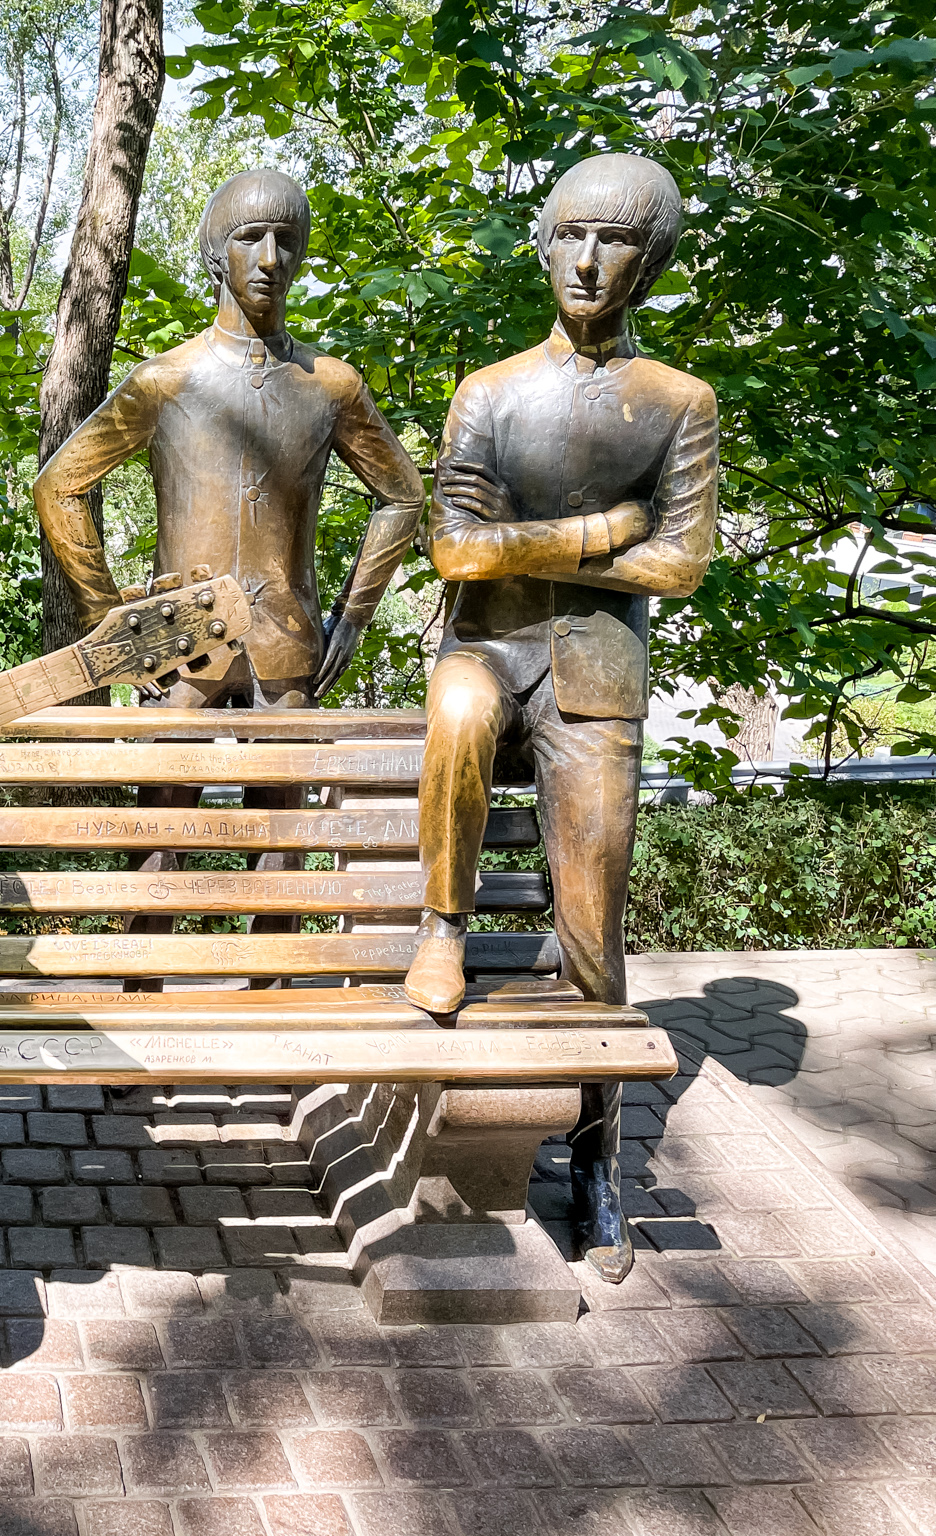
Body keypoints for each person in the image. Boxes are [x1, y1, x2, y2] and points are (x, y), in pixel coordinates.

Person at [402, 154, 718, 1283]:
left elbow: (681, 561)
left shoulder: (676, 402)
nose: (587, 261)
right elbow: (452, 550)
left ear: (651, 259)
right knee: (452, 707)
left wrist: (539, 542)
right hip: (483, 645)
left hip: (595, 675)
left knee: (593, 921)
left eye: (615, 241)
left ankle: (594, 1150)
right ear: (540, 244)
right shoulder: (487, 392)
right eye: (569, 235)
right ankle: (439, 931)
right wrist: (598, 533)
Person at [32, 168, 425, 971]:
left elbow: (403, 495)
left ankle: (271, 1002)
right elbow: (59, 486)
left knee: (279, 842)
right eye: (250, 237)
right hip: (177, 642)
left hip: (286, 640)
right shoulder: (166, 381)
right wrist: (114, 621)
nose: (271, 256)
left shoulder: (330, 386)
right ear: (216, 252)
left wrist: (351, 614)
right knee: (158, 837)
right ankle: (141, 1007)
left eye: (287, 240)